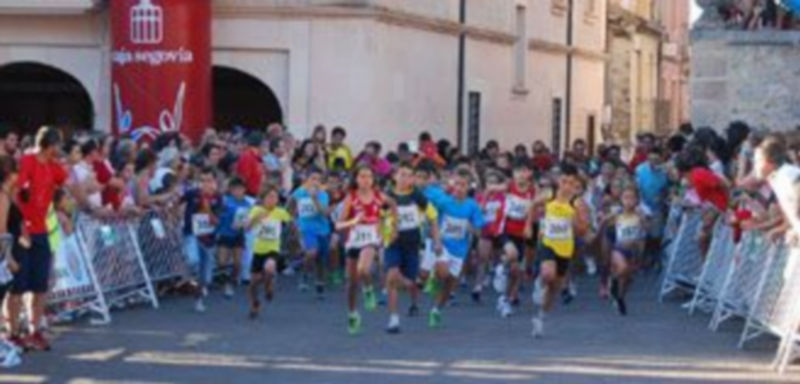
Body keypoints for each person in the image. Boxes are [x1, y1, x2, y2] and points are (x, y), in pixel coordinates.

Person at [7, 126, 67, 351]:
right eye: (58, 145)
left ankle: (35, 330)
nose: (60, 150)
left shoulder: (54, 166)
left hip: (42, 232)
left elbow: (65, 185)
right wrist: (20, 222)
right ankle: (12, 333)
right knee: (17, 286)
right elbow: (14, 190)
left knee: (40, 286)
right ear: (48, 145)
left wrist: (64, 210)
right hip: (23, 232)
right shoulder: (27, 161)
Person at [531, 163, 587, 338]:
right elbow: (532, 206)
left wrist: (575, 221)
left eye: (571, 183)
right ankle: (539, 283)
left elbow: (583, 230)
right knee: (548, 274)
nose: (567, 186)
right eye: (564, 182)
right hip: (548, 243)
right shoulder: (549, 195)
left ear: (575, 185)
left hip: (565, 248)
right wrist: (529, 225)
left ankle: (541, 317)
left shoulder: (577, 203)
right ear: (558, 181)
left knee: (555, 286)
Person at [422, 168, 484, 328]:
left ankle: (436, 310)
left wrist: (472, 228)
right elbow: (426, 195)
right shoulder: (444, 201)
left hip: (459, 250)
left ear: (468, 187)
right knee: (442, 271)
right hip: (443, 245)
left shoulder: (472, 206)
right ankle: (434, 277)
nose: (458, 188)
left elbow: (479, 229)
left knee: (449, 285)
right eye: (456, 184)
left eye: (462, 185)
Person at [383, 162, 436, 334]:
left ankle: (414, 295)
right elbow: (378, 218)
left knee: (409, 283)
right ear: (395, 176)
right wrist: (386, 233)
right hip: (393, 243)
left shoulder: (417, 196)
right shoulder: (387, 196)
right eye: (402, 174)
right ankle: (393, 319)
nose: (405, 178)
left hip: (412, 244)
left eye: (409, 175)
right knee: (391, 277)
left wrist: (437, 240)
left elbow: (433, 216)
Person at [336, 166, 386, 334]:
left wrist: (386, 228)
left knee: (364, 269)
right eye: (362, 176)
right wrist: (353, 221)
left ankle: (368, 290)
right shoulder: (351, 198)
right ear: (356, 179)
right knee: (351, 283)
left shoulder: (380, 197)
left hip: (371, 239)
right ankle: (352, 314)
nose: (365, 180)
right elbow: (338, 224)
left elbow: (391, 213)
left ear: (373, 179)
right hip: (354, 241)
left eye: (369, 176)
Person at [496, 161, 536, 318]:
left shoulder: (533, 190)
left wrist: (529, 225)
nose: (520, 175)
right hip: (505, 228)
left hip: (520, 233)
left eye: (524, 171)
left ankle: (504, 299)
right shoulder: (509, 186)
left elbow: (533, 208)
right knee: (511, 255)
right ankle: (500, 268)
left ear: (529, 174)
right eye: (517, 171)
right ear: (513, 175)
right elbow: (491, 188)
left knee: (515, 271)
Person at [247, 186, 293, 319]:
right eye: (269, 197)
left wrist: (297, 238)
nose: (272, 200)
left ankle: (268, 287)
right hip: (258, 250)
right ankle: (255, 304)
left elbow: (291, 223)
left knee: (269, 267)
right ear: (263, 199)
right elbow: (247, 227)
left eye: (275, 197)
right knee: (253, 283)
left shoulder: (280, 212)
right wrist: (257, 218)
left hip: (273, 248)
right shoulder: (256, 210)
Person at [181, 167, 221, 313]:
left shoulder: (217, 198)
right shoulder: (192, 194)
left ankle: (199, 297)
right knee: (193, 261)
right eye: (202, 181)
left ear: (214, 182)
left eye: (209, 181)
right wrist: (172, 210)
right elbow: (177, 201)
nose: (205, 184)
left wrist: (207, 209)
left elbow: (217, 220)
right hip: (191, 234)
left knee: (206, 277)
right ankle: (190, 279)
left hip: (208, 238)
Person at [290, 166, 331, 298]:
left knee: (321, 260)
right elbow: (289, 206)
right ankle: (305, 273)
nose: (315, 182)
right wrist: (293, 221)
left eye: (319, 179)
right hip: (306, 228)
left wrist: (314, 199)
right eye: (313, 178)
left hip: (322, 229)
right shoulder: (299, 193)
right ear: (306, 180)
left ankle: (319, 281)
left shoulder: (323, 194)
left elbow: (324, 213)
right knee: (311, 252)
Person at [605, 186, 646, 316]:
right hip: (619, 248)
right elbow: (605, 225)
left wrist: (643, 220)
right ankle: (614, 282)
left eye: (632, 198)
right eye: (626, 198)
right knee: (622, 269)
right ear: (621, 200)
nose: (629, 201)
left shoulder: (640, 215)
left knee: (628, 278)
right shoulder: (617, 214)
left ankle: (620, 297)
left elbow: (645, 232)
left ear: (637, 200)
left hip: (633, 250)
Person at [216, 177, 252, 298]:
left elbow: (248, 221)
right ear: (231, 190)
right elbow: (218, 213)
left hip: (238, 235)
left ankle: (232, 281)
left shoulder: (247, 204)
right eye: (234, 189)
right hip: (225, 234)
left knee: (237, 263)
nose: (237, 191)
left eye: (240, 189)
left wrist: (246, 225)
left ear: (244, 190)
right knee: (222, 262)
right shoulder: (226, 201)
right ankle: (225, 284)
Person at [236, 131, 265, 198]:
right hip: (249, 195)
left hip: (257, 194)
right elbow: (244, 178)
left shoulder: (258, 157)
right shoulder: (247, 156)